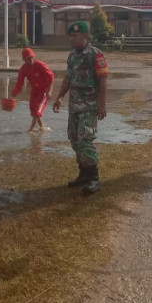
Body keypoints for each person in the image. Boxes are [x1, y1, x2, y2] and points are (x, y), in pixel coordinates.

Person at [52, 21, 109, 194]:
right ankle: (83, 174)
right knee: (75, 140)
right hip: (74, 106)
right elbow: (68, 78)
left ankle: (93, 179)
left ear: (84, 36)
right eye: (71, 36)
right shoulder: (72, 56)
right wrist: (59, 97)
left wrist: (102, 104)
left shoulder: (96, 55)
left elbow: (103, 80)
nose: (71, 39)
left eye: (74, 36)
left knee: (86, 141)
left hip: (90, 106)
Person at [11, 47, 55, 133]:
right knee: (32, 109)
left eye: (32, 57)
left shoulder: (40, 65)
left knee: (37, 109)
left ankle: (31, 129)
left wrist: (49, 90)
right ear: (24, 59)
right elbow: (19, 84)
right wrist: (13, 95)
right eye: (28, 58)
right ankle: (42, 127)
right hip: (35, 90)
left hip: (45, 90)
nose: (31, 60)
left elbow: (51, 76)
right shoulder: (23, 69)